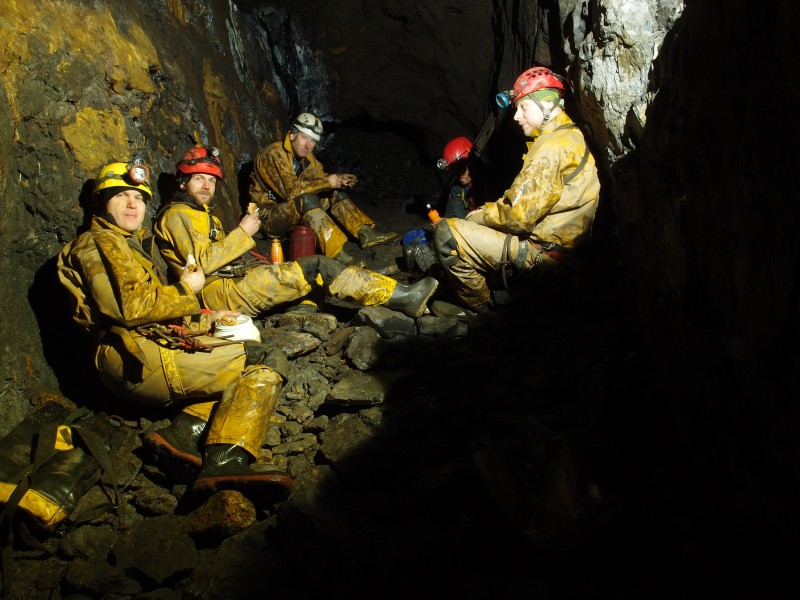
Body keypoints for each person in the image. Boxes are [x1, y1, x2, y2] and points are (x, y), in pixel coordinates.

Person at [57, 160, 295, 499]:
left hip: (146, 348)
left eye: (138, 198)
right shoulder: (98, 242)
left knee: (232, 338)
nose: (131, 204)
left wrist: (206, 318)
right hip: (135, 358)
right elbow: (132, 309)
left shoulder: (125, 244)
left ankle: (181, 436)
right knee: (261, 358)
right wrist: (187, 289)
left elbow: (152, 307)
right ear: (102, 203)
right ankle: (225, 463)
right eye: (121, 196)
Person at [153, 145, 438, 319]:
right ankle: (403, 298)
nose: (206, 186)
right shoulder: (178, 215)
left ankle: (387, 292)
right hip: (221, 293)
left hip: (232, 283)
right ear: (182, 183)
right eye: (198, 179)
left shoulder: (196, 213)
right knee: (318, 266)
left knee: (309, 274)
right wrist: (242, 231)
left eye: (210, 180)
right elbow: (200, 266)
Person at [431, 66, 600, 317]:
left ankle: (484, 310)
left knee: (446, 233)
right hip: (566, 254)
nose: (516, 116)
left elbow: (519, 216)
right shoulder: (569, 137)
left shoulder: (551, 148)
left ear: (546, 103)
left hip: (545, 257)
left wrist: (478, 216)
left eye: (523, 107)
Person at [248, 112, 397, 266]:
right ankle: (337, 254)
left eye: (313, 140)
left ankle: (365, 232)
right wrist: (328, 182)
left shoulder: (307, 158)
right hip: (267, 217)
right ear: (292, 135)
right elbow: (291, 192)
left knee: (332, 192)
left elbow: (321, 176)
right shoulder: (273, 154)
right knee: (307, 199)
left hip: (290, 211)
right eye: (304, 137)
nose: (308, 145)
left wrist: (339, 179)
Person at [437, 136, 485, 219]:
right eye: (454, 170)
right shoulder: (458, 189)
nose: (459, 176)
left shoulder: (491, 179)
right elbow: (454, 214)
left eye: (461, 168)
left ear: (471, 163)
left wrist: (483, 211)